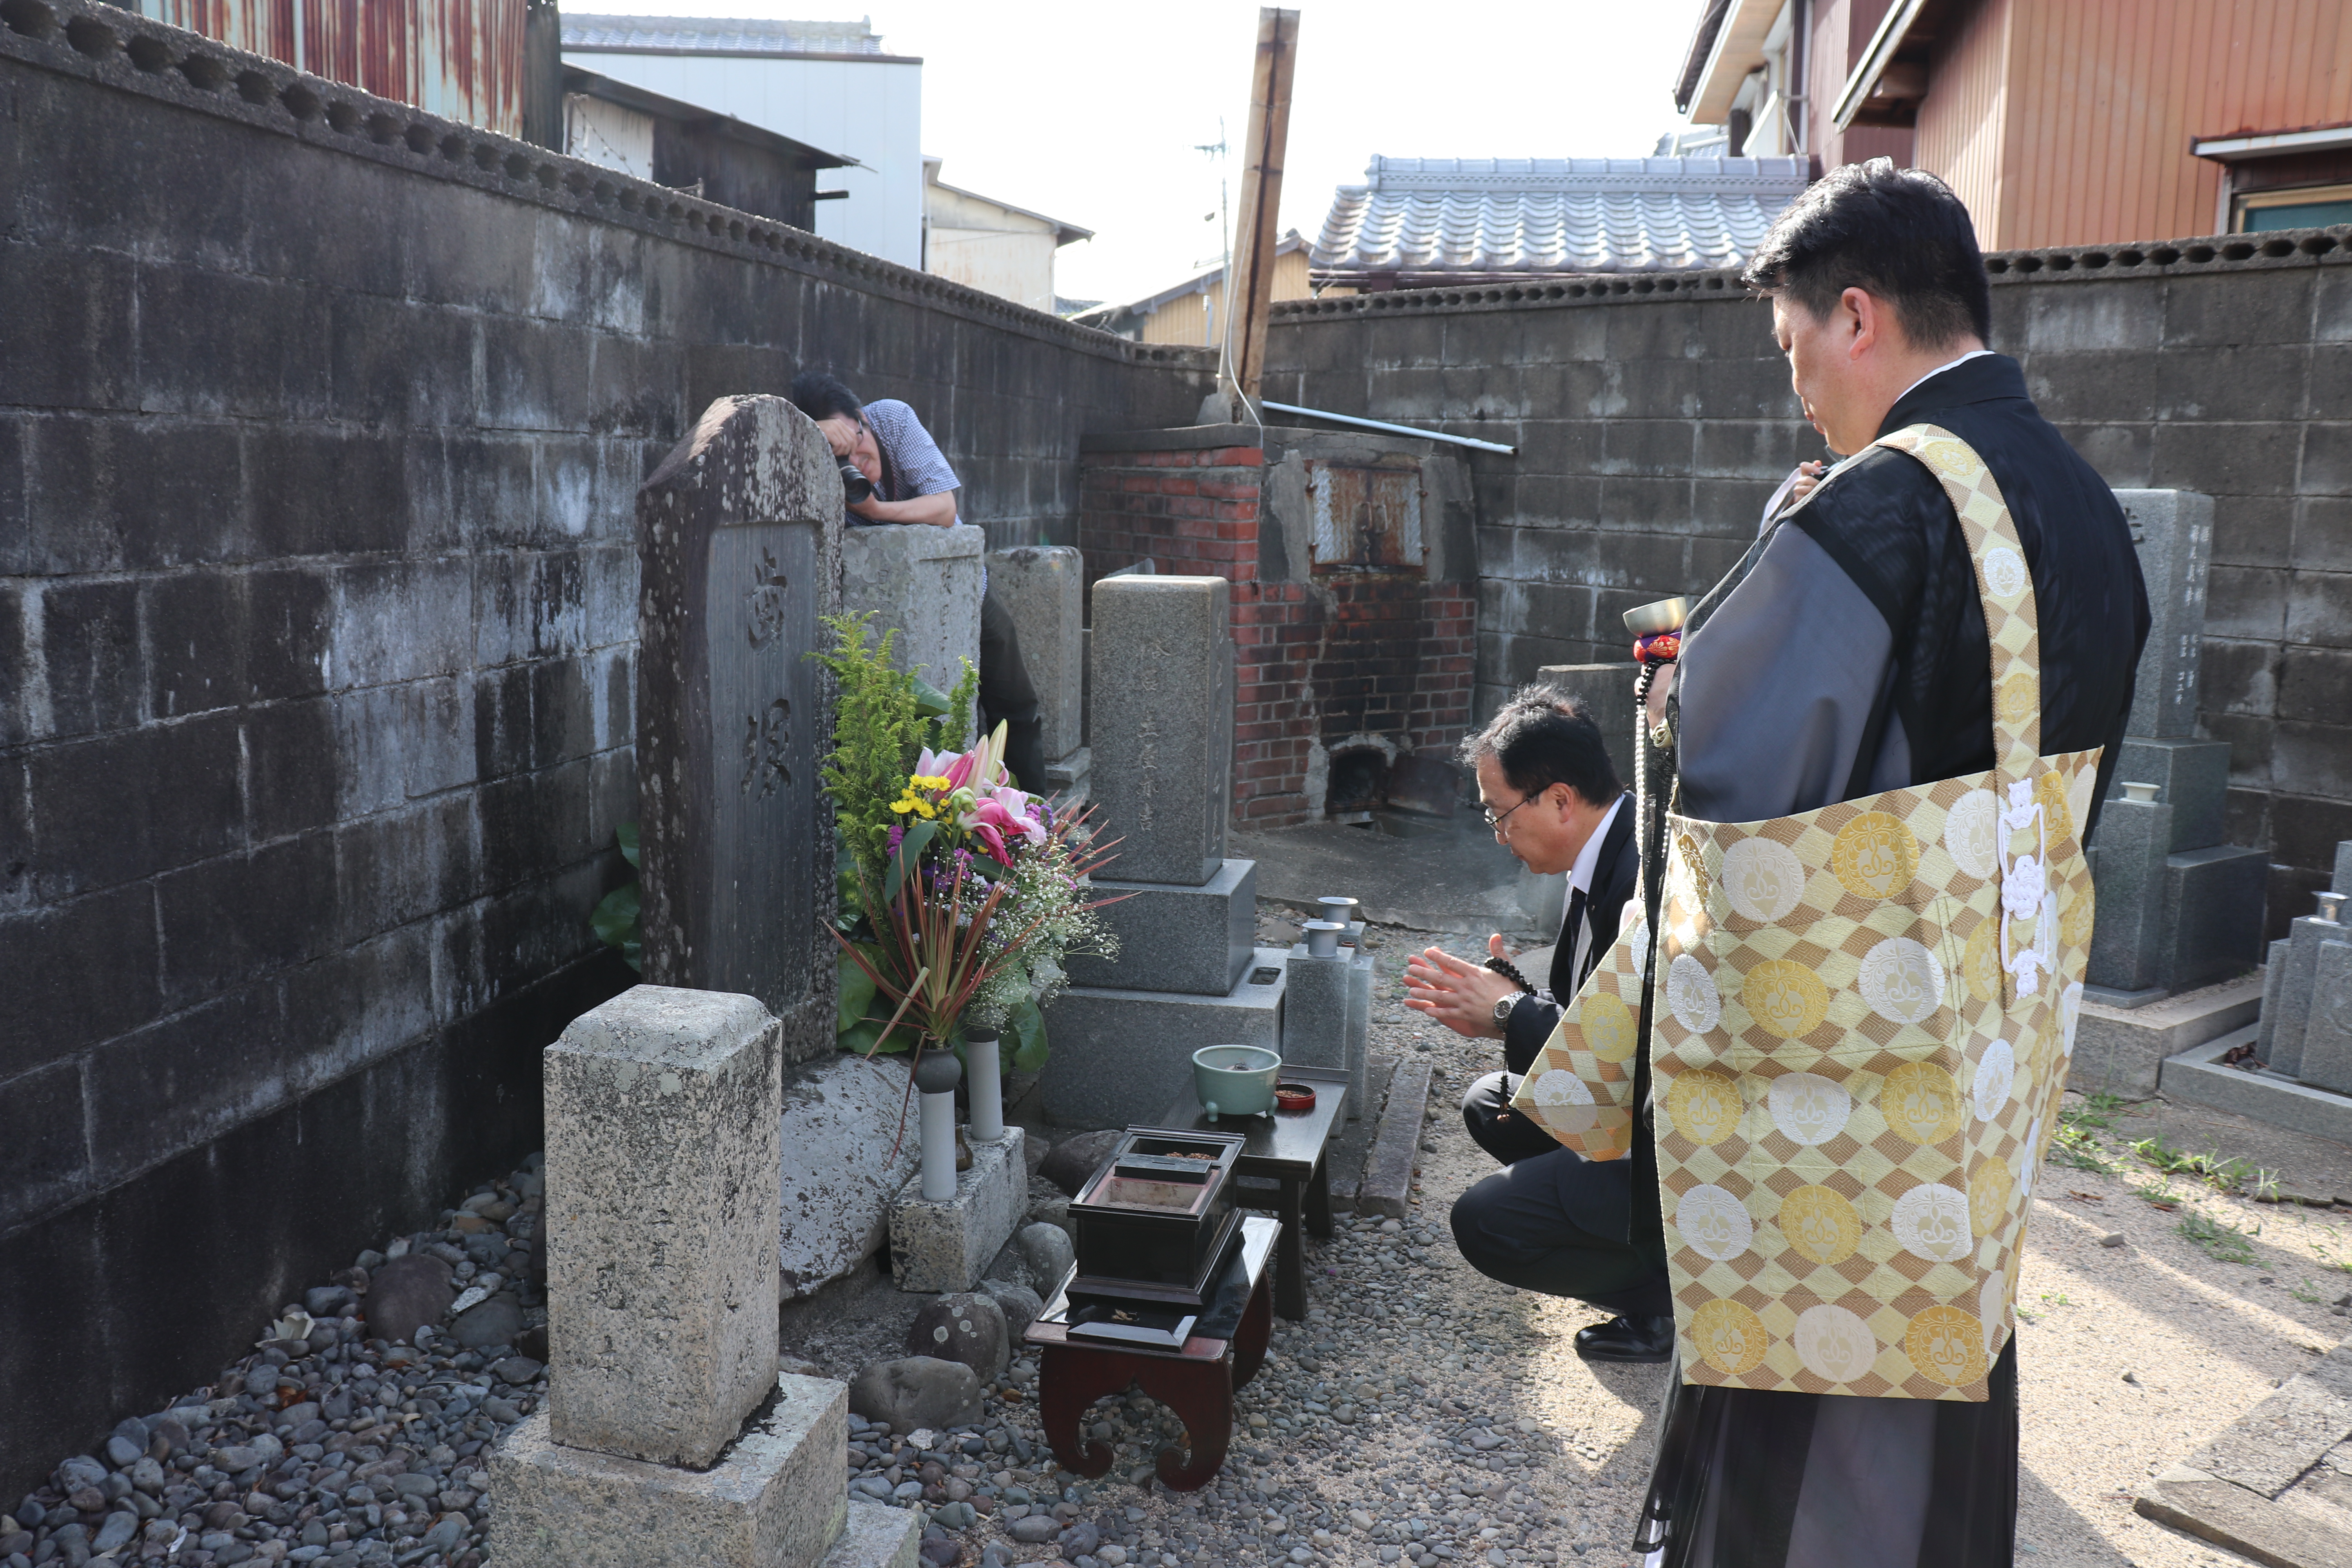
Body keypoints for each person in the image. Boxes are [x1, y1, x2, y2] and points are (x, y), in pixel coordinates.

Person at [1632, 159, 2149, 1568]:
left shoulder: (1877, 511)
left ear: (1855, 315)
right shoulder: (2097, 514)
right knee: (1946, 1378)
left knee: (1808, 1437)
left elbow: (1726, 787)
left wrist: (1750, 589)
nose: (1797, 386)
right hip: (1982, 1069)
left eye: (1795, 348)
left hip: (1836, 1088)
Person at [1400, 692, 1669, 1363]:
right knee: (1491, 1101)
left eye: (1501, 813)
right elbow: (1592, 1008)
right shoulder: (1606, 848)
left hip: (1665, 1148)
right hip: (1620, 1110)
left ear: (1558, 799)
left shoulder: (1644, 874)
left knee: (1485, 1223)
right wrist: (1512, 994)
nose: (1498, 835)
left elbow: (1634, 1050)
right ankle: (1617, 1251)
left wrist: (1507, 1011)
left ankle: (1664, 1298)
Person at [788, 371, 1049, 795]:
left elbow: (945, 506)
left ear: (862, 418)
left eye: (857, 442)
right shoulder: (812, 464)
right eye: (841, 457)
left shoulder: (892, 419)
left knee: (1015, 708)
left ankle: (1034, 821)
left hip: (964, 587)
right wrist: (813, 440)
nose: (857, 461)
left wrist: (873, 511)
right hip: (882, 617)